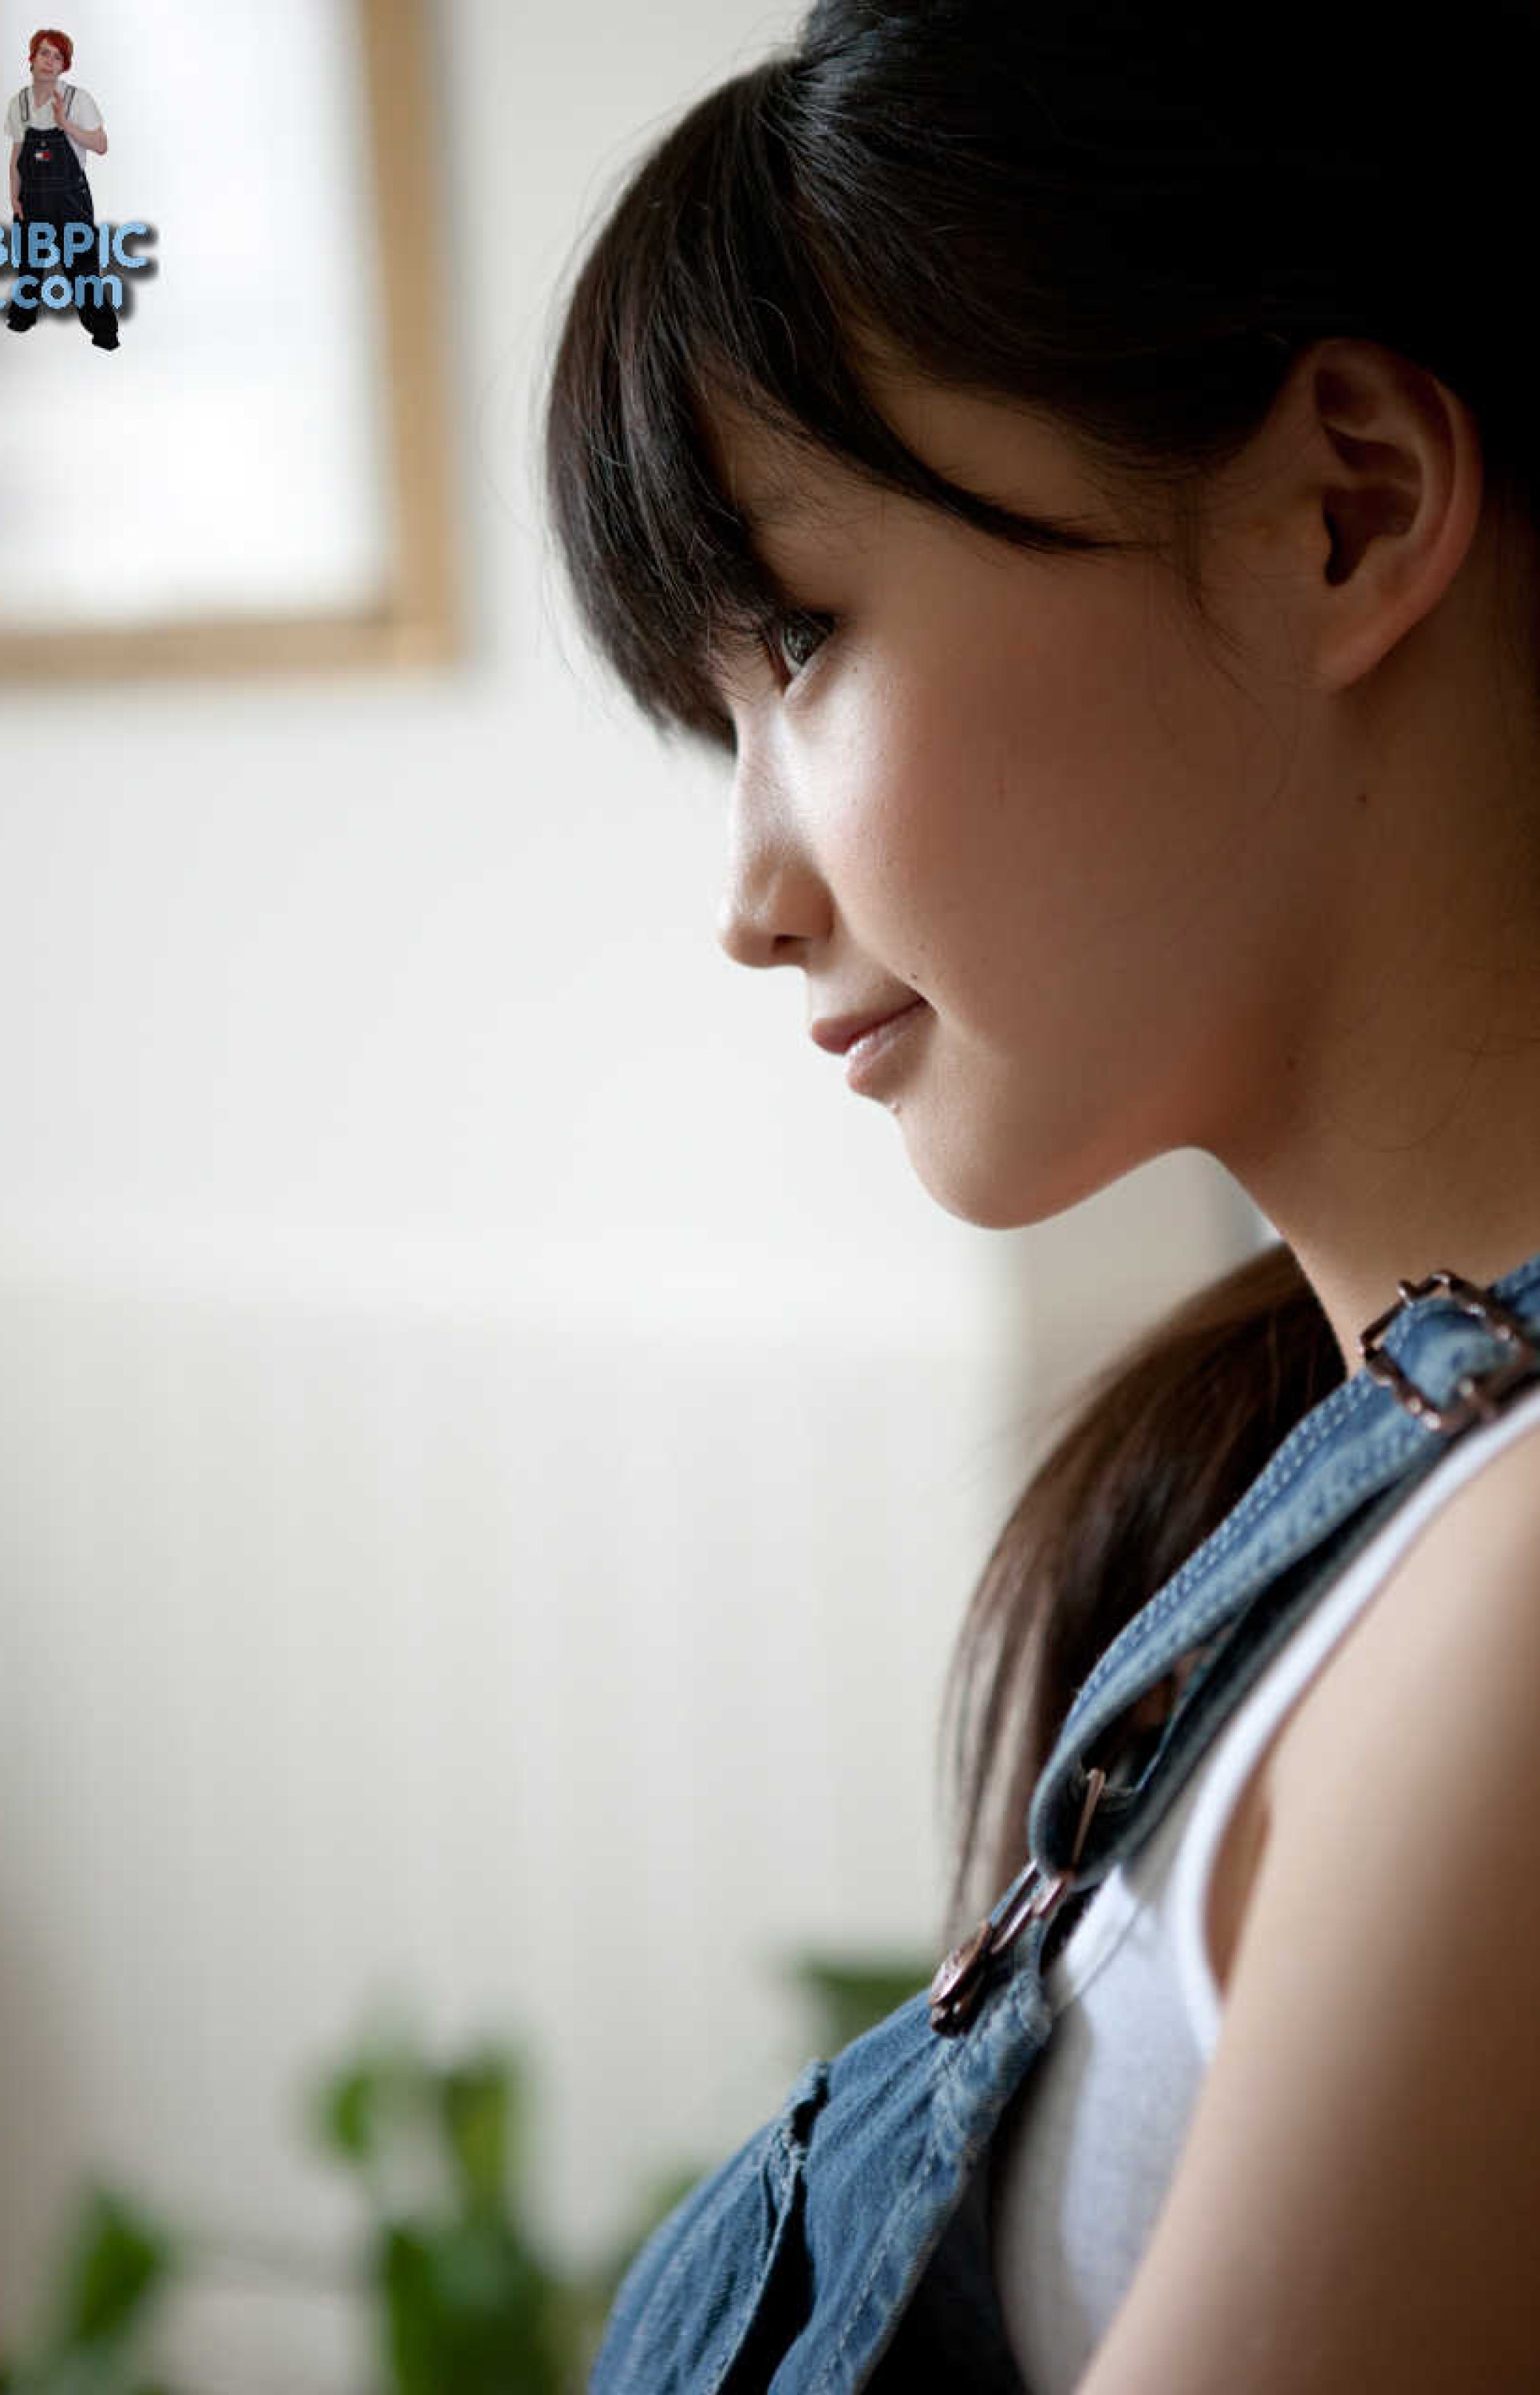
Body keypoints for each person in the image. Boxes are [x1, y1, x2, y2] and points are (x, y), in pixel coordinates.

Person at [544, 2, 1540, 2386]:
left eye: (801, 639)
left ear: (1342, 512)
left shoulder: (1510, 1614)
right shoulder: (1328, 1496)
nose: (750, 899)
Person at [4, 26, 118, 350]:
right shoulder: (19, 103)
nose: (49, 61)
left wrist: (65, 124)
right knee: (28, 263)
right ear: (32, 57)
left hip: (70, 200)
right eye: (44, 53)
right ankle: (22, 319)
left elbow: (101, 145)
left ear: (64, 65)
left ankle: (104, 331)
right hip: (31, 198)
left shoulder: (77, 99)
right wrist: (13, 194)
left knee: (82, 268)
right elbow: (16, 154)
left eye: (58, 57)